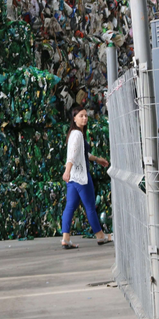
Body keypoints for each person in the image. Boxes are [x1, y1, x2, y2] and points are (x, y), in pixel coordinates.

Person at [61, 106, 112, 249]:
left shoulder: (74, 133)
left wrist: (97, 159)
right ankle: (100, 236)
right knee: (90, 206)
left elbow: (82, 154)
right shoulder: (77, 134)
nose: (84, 118)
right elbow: (72, 155)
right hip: (81, 177)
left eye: (85, 116)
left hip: (73, 177)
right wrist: (67, 170)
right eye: (81, 116)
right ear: (74, 118)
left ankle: (65, 238)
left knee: (70, 207)